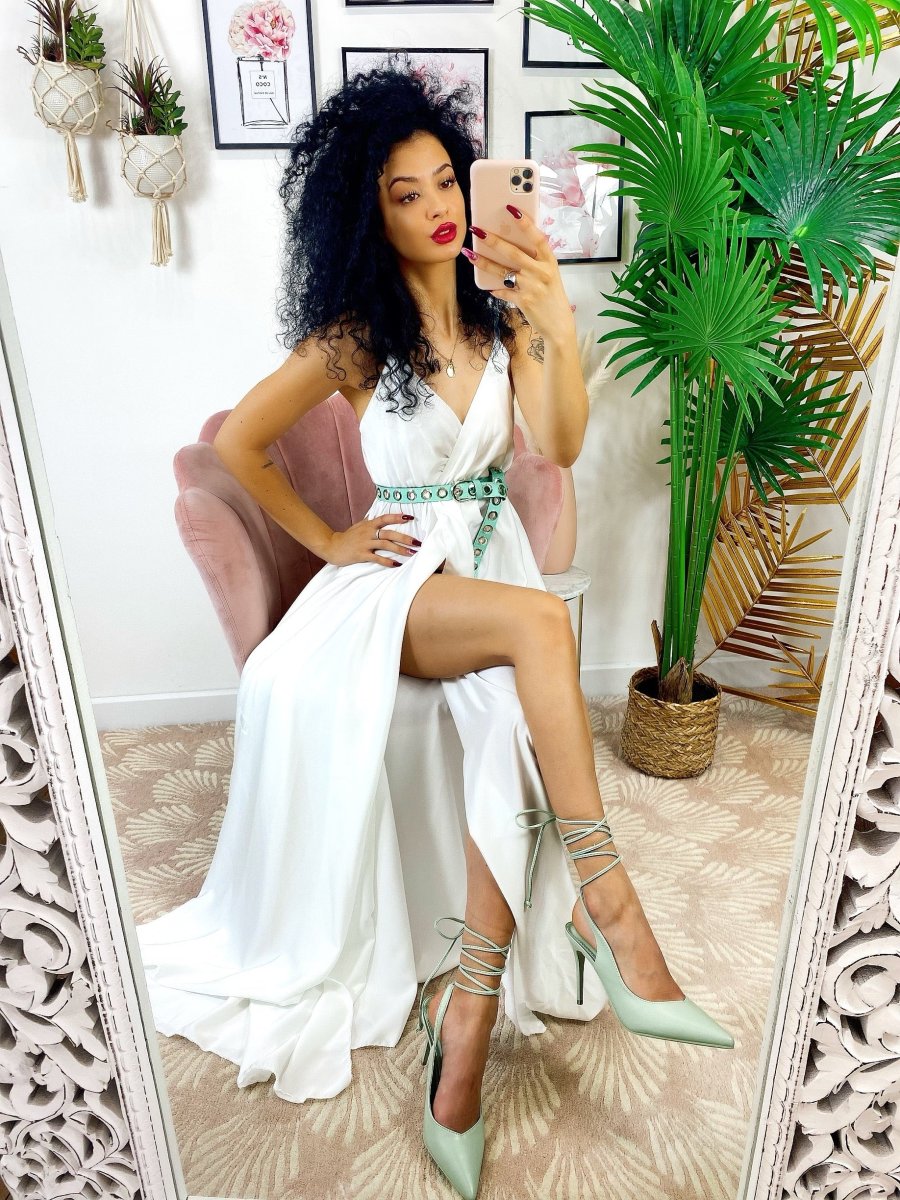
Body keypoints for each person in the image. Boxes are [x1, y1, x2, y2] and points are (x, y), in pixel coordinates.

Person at [136, 63, 733, 1200]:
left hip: (488, 570)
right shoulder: (354, 339)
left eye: (445, 181)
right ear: (369, 215)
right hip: (396, 587)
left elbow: (558, 443)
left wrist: (553, 313)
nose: (437, 206)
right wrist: (330, 538)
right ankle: (610, 907)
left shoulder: (502, 318)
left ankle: (466, 1029)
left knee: (510, 717)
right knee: (538, 626)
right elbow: (238, 447)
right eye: (404, 194)